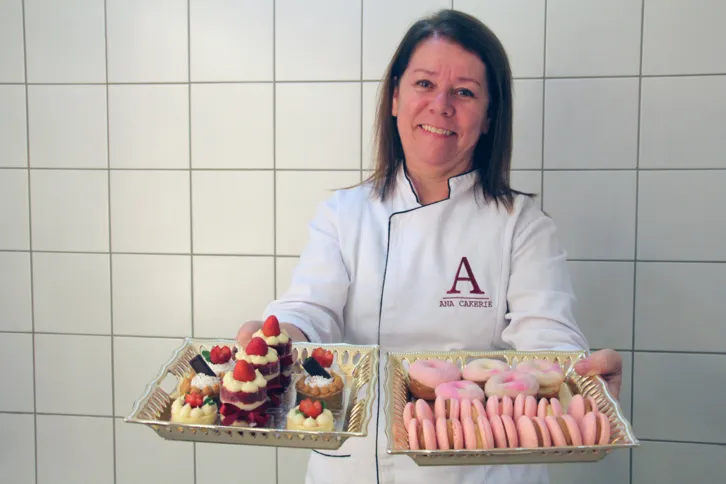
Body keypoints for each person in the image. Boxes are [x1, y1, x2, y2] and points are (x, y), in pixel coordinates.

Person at [237, 9, 623, 484]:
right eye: (424, 84)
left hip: (483, 468)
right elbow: (311, 310)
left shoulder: (521, 226)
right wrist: (277, 340)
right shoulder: (344, 214)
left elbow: (548, 342)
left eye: (464, 92)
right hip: (359, 465)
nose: (441, 105)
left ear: (487, 119)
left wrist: (580, 377)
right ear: (395, 97)